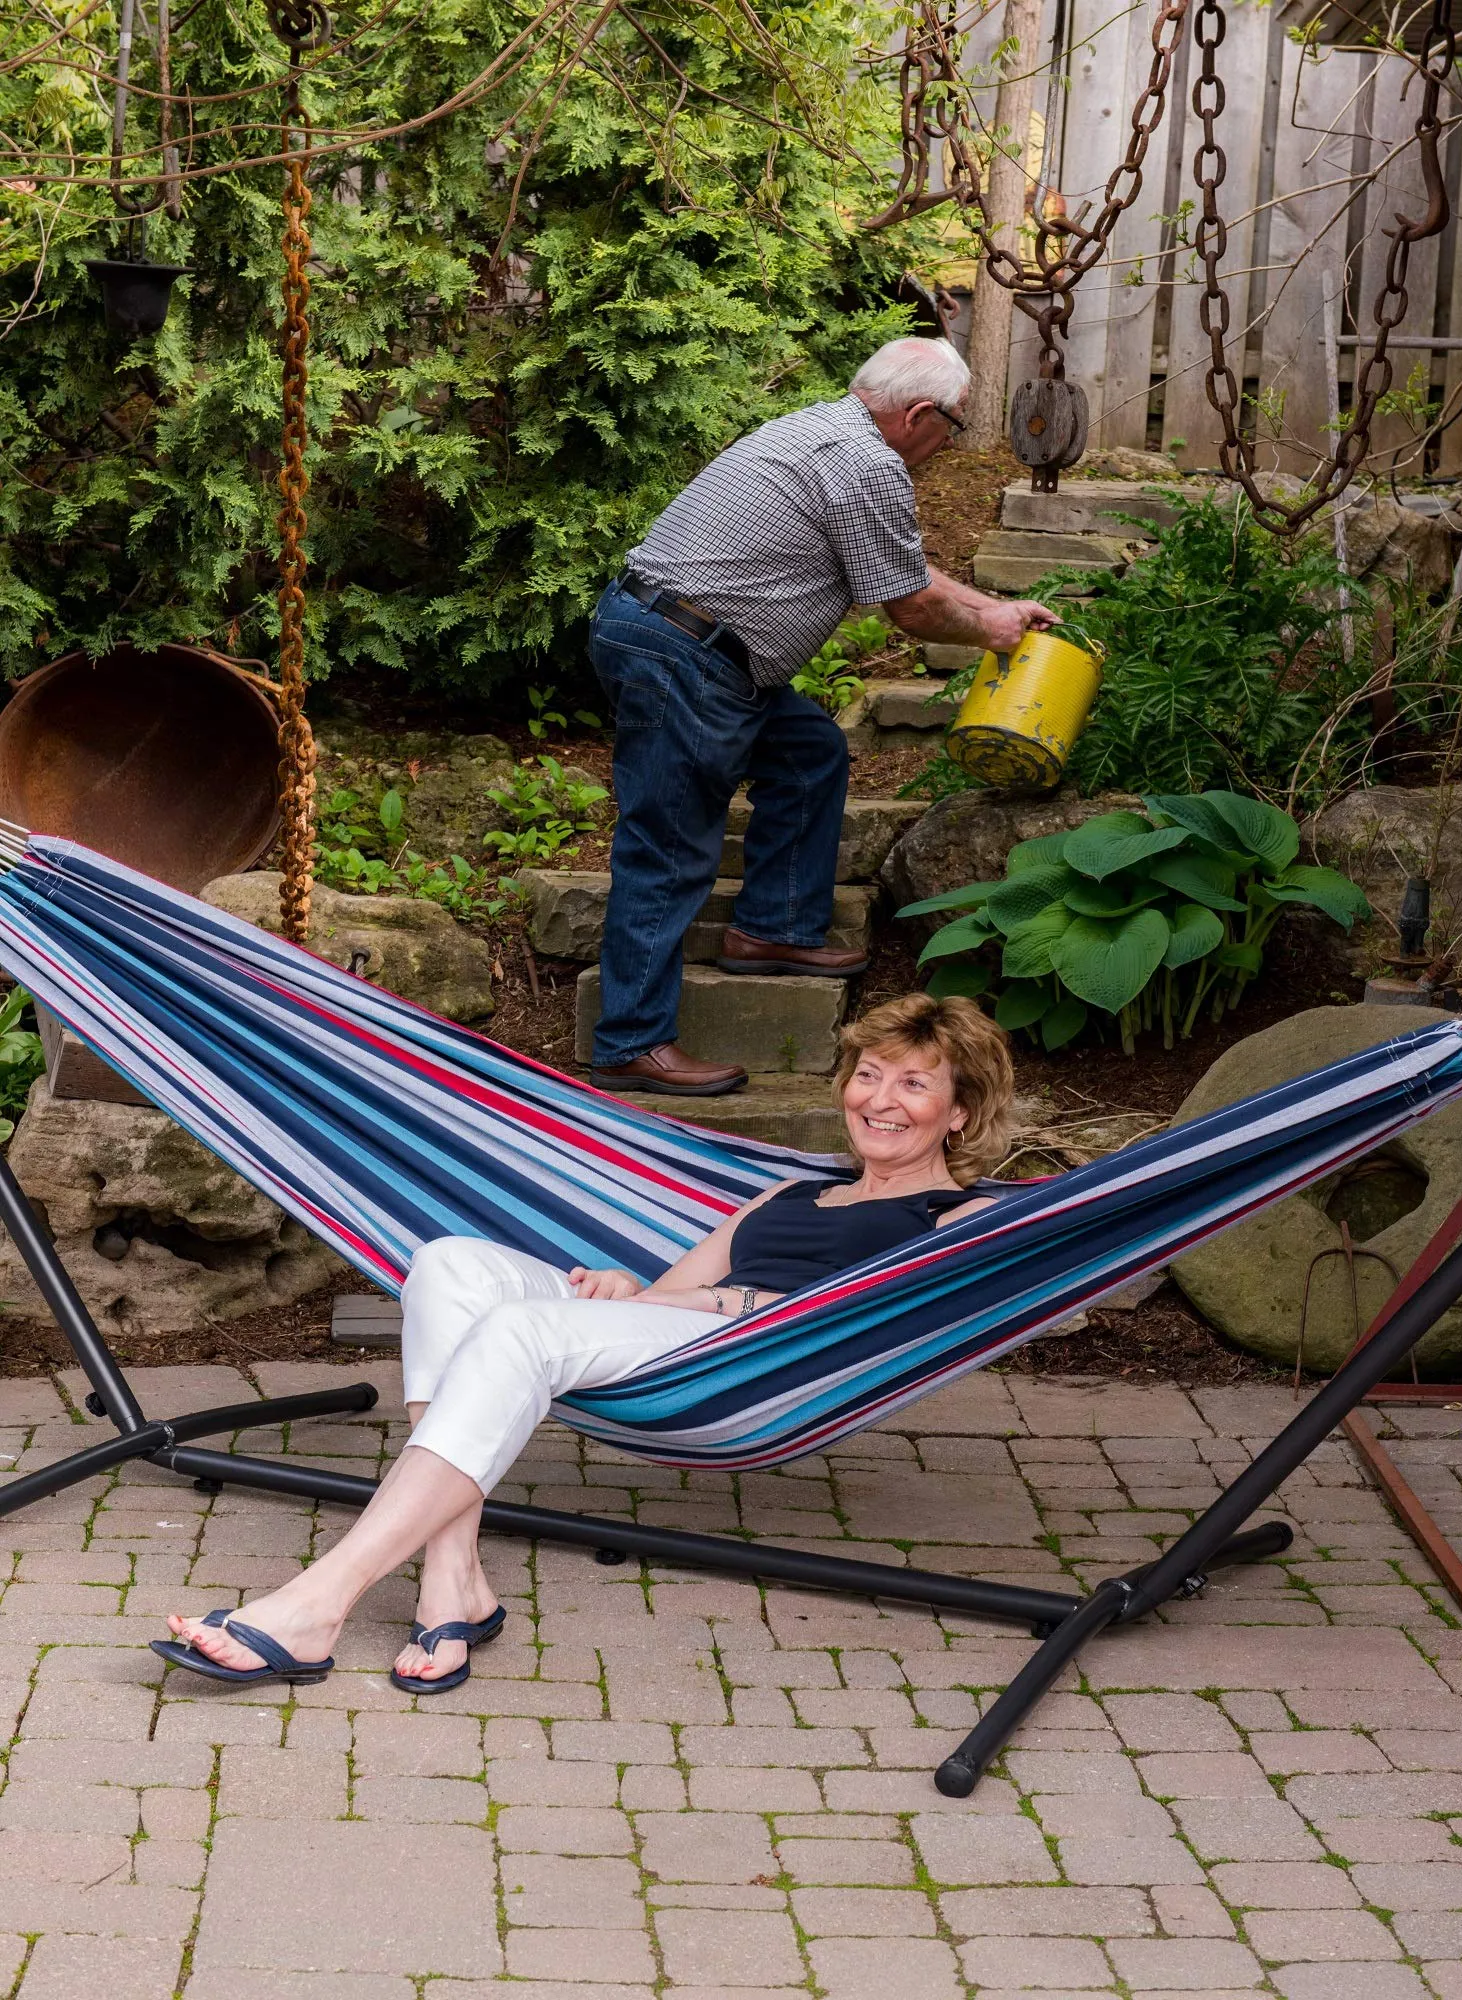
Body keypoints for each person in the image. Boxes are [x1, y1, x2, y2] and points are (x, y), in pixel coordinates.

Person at [153, 994, 1017, 1691]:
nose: (880, 1100)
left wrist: (728, 1302)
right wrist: (623, 1291)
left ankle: (316, 1604)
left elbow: (868, 1313)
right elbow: (670, 1294)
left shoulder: (961, 1218)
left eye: (913, 1084)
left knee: (520, 1329)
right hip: (684, 1339)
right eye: (869, 1076)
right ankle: (451, 1576)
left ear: (959, 1112)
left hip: (762, 1365)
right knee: (450, 1264)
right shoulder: (787, 1194)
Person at [586, 336, 1058, 1099]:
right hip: (684, 653)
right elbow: (910, 609)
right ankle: (630, 1041)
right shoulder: (866, 462)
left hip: (678, 639)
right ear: (918, 414)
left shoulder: (827, 432)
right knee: (669, 847)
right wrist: (988, 634)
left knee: (807, 751)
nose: (952, 442)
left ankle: (771, 929)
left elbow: (899, 565)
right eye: (957, 425)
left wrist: (991, 606)